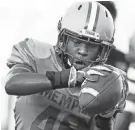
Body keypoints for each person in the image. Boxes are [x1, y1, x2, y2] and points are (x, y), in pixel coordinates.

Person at [4, 1, 128, 130]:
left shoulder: (105, 82)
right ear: (64, 39)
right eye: (77, 41)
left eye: (92, 45)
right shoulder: (36, 52)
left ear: (102, 50)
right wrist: (65, 78)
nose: (83, 51)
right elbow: (11, 84)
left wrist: (106, 116)